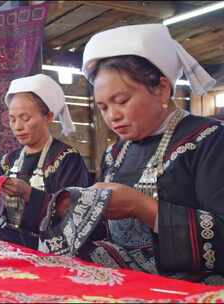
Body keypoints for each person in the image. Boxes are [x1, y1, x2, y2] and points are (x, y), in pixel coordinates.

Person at [38, 24, 222, 284]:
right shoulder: (116, 153)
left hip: (190, 286)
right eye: (103, 106)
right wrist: (77, 210)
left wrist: (143, 207)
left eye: (122, 101)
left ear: (162, 89)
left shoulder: (209, 140)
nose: (112, 115)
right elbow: (109, 233)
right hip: (124, 278)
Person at [0, 74, 91, 249]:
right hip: (7, 241)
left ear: (48, 117)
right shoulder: (8, 161)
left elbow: (77, 216)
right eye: (12, 119)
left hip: (47, 247)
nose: (17, 127)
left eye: (25, 118)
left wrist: (30, 194)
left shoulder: (67, 159)